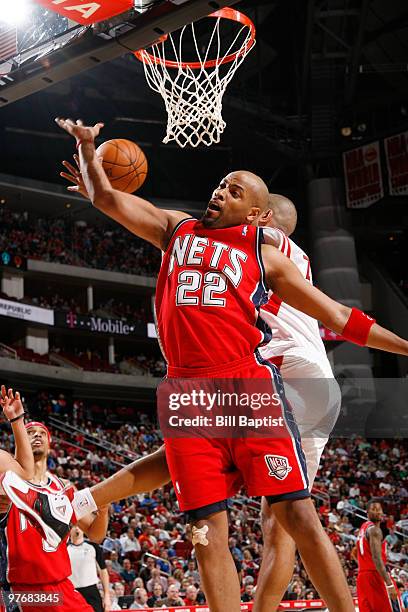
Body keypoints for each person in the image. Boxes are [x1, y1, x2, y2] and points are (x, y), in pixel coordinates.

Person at [9, 117, 408, 612]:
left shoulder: (267, 257)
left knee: (297, 514)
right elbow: (107, 199)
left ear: (256, 214)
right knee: (205, 533)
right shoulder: (177, 228)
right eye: (221, 184)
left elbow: (340, 317)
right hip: (187, 394)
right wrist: (90, 151)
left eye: (234, 190)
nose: (220, 191)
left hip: (248, 385)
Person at [253, 194, 342, 611]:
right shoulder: (297, 255)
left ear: (265, 216)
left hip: (286, 368)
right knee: (283, 518)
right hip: (318, 384)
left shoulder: (260, 237)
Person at [0, 419, 109, 612]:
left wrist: (104, 508)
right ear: (20, 442)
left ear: (50, 444)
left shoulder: (64, 488)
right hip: (21, 590)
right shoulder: (7, 482)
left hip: (60, 586)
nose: (36, 435)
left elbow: (95, 535)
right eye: (30, 432)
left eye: (41, 433)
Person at [354, 500, 403, 611]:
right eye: (373, 509)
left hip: (362, 577)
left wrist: (364, 565)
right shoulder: (375, 530)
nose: (377, 512)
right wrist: (389, 584)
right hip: (375, 575)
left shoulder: (363, 528)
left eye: (379, 509)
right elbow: (376, 558)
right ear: (367, 513)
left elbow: (354, 552)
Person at [68, 525, 111, 612]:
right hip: (71, 592)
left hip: (91, 592)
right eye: (74, 526)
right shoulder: (64, 549)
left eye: (79, 526)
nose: (77, 528)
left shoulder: (93, 547)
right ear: (69, 530)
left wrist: (107, 596)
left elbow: (103, 572)